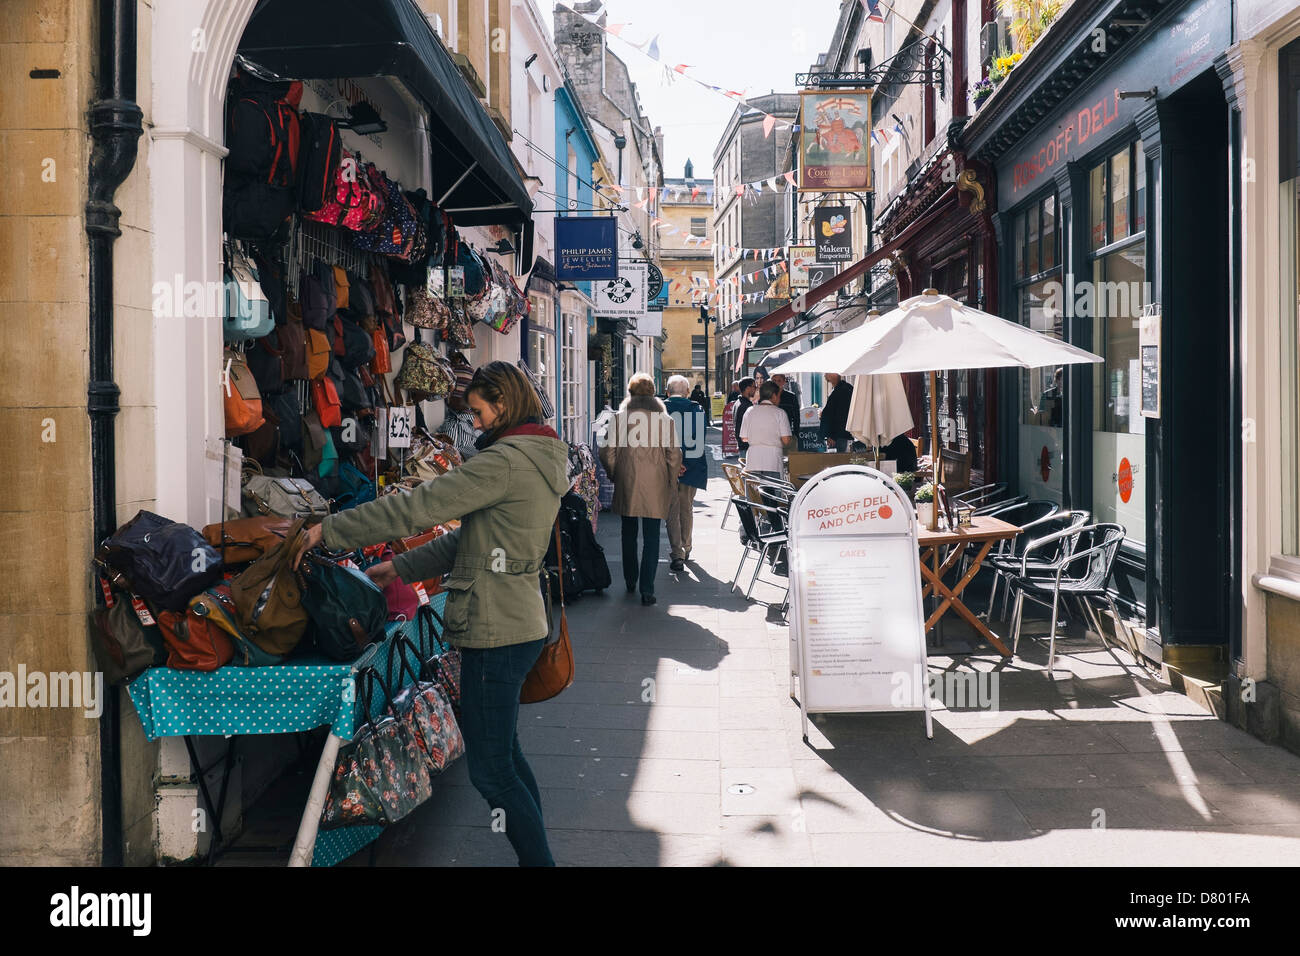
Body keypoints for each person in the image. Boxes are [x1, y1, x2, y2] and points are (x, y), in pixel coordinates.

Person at [292, 361, 568, 867]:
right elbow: (472, 539)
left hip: (496, 628)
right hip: (517, 619)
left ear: (503, 403)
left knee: (491, 771)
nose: (476, 420)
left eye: (480, 410)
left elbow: (416, 510)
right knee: (506, 755)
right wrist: (397, 567)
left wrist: (328, 531)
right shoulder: (538, 453)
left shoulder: (503, 461)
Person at [598, 372, 682, 606]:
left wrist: (615, 473)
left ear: (631, 393)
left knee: (628, 532)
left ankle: (630, 579)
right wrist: (670, 480)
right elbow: (674, 455)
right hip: (656, 481)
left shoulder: (619, 419)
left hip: (628, 479)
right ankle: (648, 589)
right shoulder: (665, 420)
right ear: (653, 394)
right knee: (653, 536)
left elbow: (606, 452)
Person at [664, 375, 707, 572]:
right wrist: (684, 463)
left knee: (672, 510)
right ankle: (686, 546)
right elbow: (699, 440)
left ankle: (677, 552)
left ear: (667, 392)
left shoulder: (659, 409)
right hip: (691, 466)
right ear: (688, 392)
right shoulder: (697, 409)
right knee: (686, 507)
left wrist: (673, 462)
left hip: (666, 467)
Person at [739, 381, 793, 480]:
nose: (779, 399)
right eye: (778, 395)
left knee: (755, 494)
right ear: (774, 396)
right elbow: (786, 440)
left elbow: (744, 438)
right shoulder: (780, 413)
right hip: (773, 461)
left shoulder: (750, 411)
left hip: (753, 460)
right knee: (773, 493)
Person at [819, 373, 854, 452]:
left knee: (840, 460)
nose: (824, 375)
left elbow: (842, 416)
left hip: (840, 436)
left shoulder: (842, 390)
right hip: (842, 435)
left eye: (827, 373)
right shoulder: (842, 389)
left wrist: (833, 436)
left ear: (834, 374)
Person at [770, 373, 801, 438]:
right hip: (770, 433)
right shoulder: (766, 396)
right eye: (774, 381)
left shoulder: (791, 397)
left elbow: (796, 418)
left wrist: (796, 434)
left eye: (779, 381)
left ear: (784, 382)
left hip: (786, 432)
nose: (776, 383)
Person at [733, 377, 756, 457]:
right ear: (748, 388)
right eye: (754, 387)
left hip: (742, 446)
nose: (755, 389)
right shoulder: (746, 405)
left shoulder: (738, 402)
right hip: (746, 447)